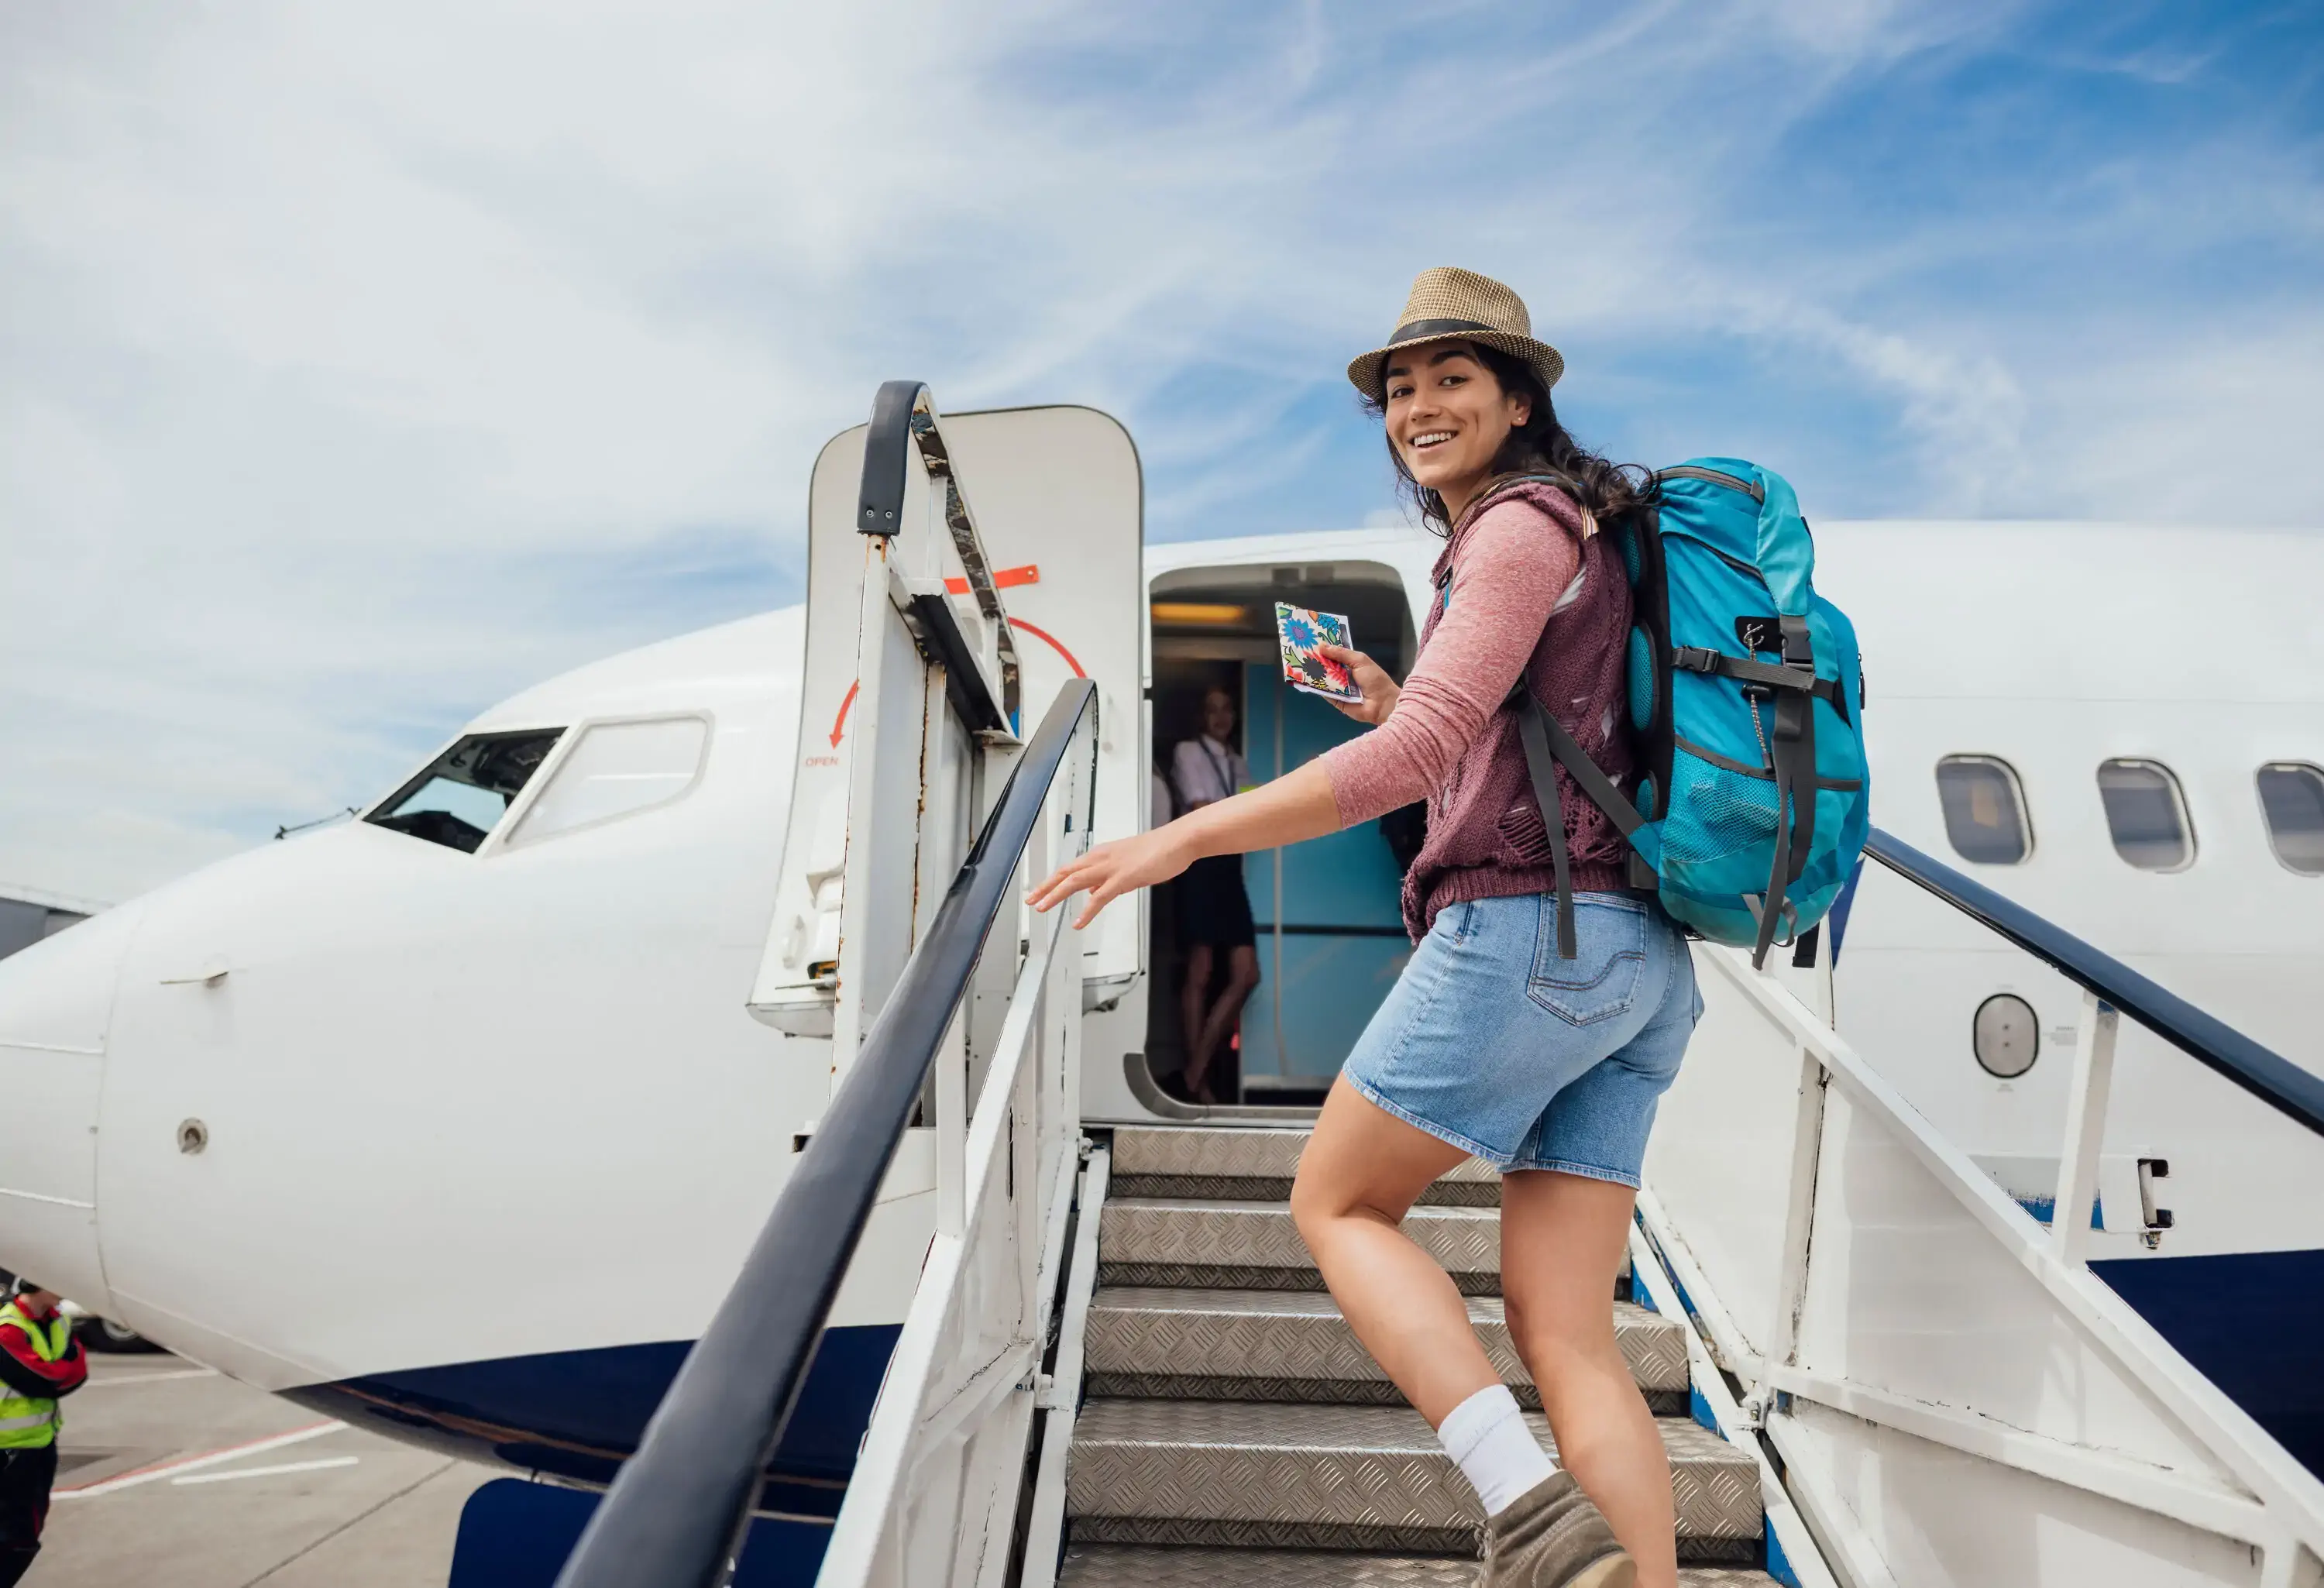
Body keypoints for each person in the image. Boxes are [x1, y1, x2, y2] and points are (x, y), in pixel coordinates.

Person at [1030, 266, 1692, 1588]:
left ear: (1519, 398)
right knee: (1568, 1336)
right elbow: (1489, 749)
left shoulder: (1516, 529)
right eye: (1400, 388)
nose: (1419, 406)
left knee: (1337, 1204)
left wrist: (1182, 834)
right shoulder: (1582, 542)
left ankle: (1531, 1513)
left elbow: (1425, 762)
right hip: (1636, 965)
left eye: (1454, 378)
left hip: (1531, 939)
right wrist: (1402, 707)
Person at [1167, 686, 1260, 1105]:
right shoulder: (1188, 752)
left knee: (1246, 974)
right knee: (1200, 971)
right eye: (1212, 709)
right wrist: (1241, 812)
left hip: (1228, 867)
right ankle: (1198, 1081)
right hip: (1201, 864)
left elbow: (1252, 810)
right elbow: (1201, 807)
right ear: (1201, 716)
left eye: (1227, 709)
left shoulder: (1237, 761)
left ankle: (1192, 1073)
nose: (1221, 716)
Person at [0, 1277, 88, 1587]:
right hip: (7, 1449)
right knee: (17, 1540)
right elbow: (40, 1380)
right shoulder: (7, 1328)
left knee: (26, 1536)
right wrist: (57, 1377)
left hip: (40, 1443)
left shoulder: (59, 1320)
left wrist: (55, 1379)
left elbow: (77, 1374)